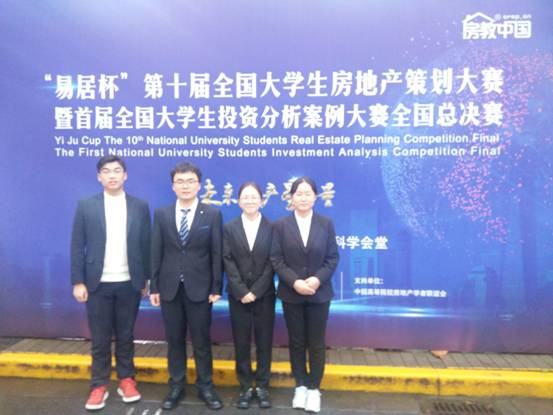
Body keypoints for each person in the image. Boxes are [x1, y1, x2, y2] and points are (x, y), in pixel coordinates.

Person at [70, 155, 151, 411]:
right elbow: (77, 244)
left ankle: (127, 380)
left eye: (117, 170)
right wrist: (78, 281)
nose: (112, 175)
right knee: (100, 338)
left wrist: (147, 279)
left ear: (125, 175)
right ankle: (99, 385)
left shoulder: (140, 206)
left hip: (130, 282)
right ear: (99, 177)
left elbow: (146, 244)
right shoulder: (86, 205)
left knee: (126, 336)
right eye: (107, 171)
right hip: (98, 284)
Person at [149, 161, 223, 411]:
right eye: (180, 182)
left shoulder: (211, 214)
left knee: (201, 341)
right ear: (173, 186)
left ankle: (206, 387)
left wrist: (216, 287)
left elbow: (216, 252)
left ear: (199, 185)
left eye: (190, 181)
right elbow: (156, 251)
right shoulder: (162, 214)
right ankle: (176, 387)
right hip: (169, 288)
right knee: (174, 341)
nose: (185, 186)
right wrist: (154, 287)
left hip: (200, 288)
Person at [270, 176, 339, 414]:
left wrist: (317, 279)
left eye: (307, 193)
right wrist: (295, 281)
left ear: (315, 197)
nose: (303, 198)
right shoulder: (280, 225)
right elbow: (276, 259)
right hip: (292, 293)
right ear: (291, 197)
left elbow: (332, 258)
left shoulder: (326, 223)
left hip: (319, 294)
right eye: (298, 193)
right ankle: (300, 385)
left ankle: (314, 389)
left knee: (316, 343)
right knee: (297, 342)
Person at [223, 182, 275, 409]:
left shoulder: (272, 227)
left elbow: (273, 261)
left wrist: (256, 291)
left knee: (264, 342)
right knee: (241, 342)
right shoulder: (229, 228)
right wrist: (242, 291)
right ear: (238, 201)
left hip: (264, 295)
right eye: (245, 197)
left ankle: (262, 386)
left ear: (262, 201)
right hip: (238, 296)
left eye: (254, 197)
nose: (250, 200)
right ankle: (245, 386)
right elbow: (227, 260)